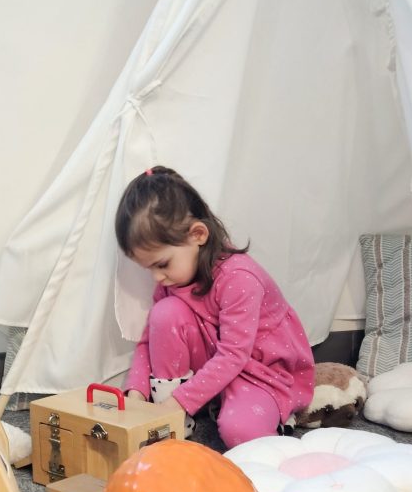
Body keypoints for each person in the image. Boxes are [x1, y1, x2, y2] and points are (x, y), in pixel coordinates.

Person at [115, 165, 314, 449]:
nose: (157, 277)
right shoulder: (173, 279)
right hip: (214, 363)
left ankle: (261, 414)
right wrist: (136, 392)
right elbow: (148, 342)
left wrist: (180, 400)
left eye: (162, 264)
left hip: (258, 371)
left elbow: (234, 354)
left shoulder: (239, 277)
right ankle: (175, 417)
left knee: (241, 432)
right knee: (165, 313)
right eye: (149, 269)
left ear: (198, 235)